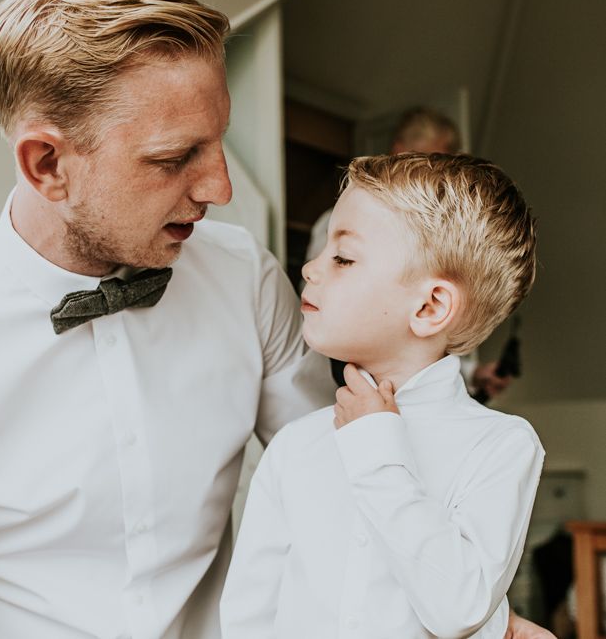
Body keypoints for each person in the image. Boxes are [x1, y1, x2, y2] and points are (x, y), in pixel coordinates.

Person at [0, 0, 551, 638]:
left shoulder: (245, 278)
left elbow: (348, 482)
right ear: (47, 164)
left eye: (218, 140)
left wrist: (490, 619)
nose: (221, 186)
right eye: (175, 156)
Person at [220, 153, 545, 637]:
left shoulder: (502, 447)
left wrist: (376, 450)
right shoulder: (295, 446)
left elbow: (458, 606)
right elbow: (249, 614)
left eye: (343, 257)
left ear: (431, 306)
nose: (310, 267)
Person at [306, 106, 512, 400]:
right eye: (343, 258)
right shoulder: (340, 222)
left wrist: (472, 374)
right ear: (399, 151)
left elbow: (424, 347)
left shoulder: (509, 441)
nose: (311, 270)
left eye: (442, 164)